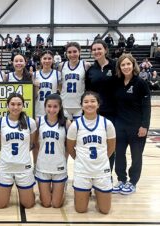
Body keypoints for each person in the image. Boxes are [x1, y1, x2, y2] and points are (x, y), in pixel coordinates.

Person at [67, 91, 116, 214]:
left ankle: (98, 191)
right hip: (82, 171)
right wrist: (81, 161)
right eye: (86, 102)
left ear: (98, 104)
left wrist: (101, 160)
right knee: (80, 209)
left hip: (101, 170)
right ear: (81, 105)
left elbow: (111, 148)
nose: (89, 104)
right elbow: (70, 148)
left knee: (105, 210)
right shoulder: (75, 125)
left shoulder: (107, 124)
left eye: (93, 101)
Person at [113, 54, 151, 195]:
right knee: (119, 154)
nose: (126, 67)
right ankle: (121, 179)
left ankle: (133, 181)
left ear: (133, 65)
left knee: (136, 156)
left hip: (136, 127)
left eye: (128, 64)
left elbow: (146, 106)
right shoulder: (117, 82)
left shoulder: (140, 83)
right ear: (119, 67)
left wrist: (144, 126)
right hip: (120, 126)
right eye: (123, 65)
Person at [0, 93, 36, 209]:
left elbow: (31, 144)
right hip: (5, 167)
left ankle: (27, 191)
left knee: (28, 204)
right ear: (7, 105)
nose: (15, 107)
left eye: (19, 104)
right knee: (0, 205)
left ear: (23, 106)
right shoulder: (0, 122)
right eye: (12, 104)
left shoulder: (30, 122)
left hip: (24, 167)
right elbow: (0, 144)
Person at [86, 39, 118, 170]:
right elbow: (88, 93)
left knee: (110, 144)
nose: (96, 51)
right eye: (94, 50)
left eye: (99, 49)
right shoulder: (91, 70)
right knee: (95, 144)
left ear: (105, 50)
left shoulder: (116, 66)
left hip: (113, 112)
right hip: (96, 113)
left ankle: (107, 173)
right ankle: (93, 172)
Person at [34, 94, 70, 208]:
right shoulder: (38, 122)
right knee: (46, 204)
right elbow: (35, 144)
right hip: (43, 166)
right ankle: (48, 193)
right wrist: (36, 163)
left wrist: (64, 161)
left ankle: (60, 190)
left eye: (55, 107)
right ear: (44, 107)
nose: (52, 109)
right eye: (49, 106)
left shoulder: (66, 123)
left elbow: (68, 147)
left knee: (56, 204)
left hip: (59, 167)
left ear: (60, 108)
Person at [59, 42, 91, 121]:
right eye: (69, 52)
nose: (72, 54)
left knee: (79, 131)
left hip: (80, 105)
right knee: (66, 131)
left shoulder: (86, 65)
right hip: (65, 104)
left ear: (79, 52)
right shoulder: (61, 65)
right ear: (66, 53)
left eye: (75, 51)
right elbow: (59, 84)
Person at [33, 51, 61, 117]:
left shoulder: (57, 74)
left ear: (53, 60)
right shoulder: (35, 74)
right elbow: (33, 95)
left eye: (49, 58)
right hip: (38, 108)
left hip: (52, 109)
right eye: (44, 58)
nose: (47, 61)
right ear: (41, 59)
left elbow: (61, 92)